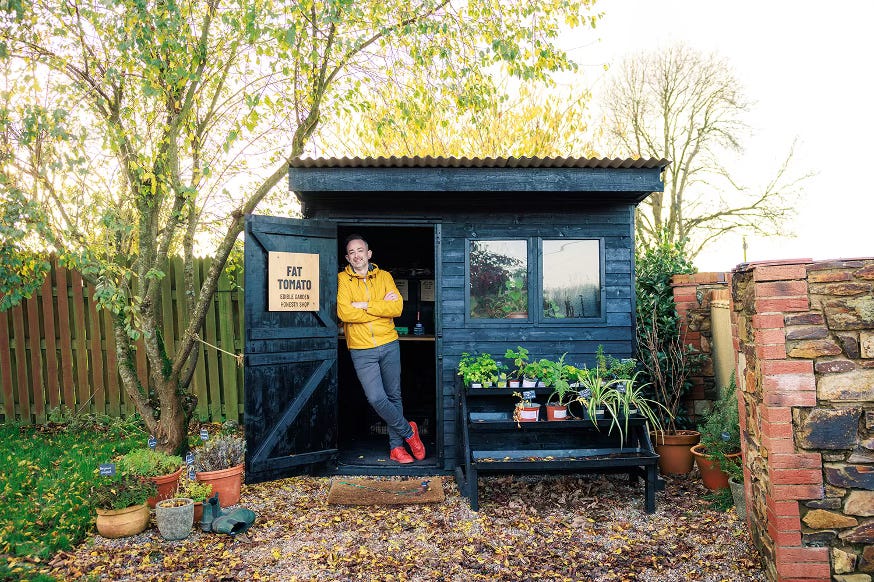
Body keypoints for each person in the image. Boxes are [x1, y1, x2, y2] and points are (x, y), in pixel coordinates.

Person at [337, 234, 426, 464]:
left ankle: (397, 449)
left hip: (388, 343)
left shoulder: (384, 276)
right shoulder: (342, 280)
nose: (356, 255)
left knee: (394, 396)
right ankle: (409, 432)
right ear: (348, 258)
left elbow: (396, 307)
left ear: (369, 254)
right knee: (376, 397)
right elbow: (344, 312)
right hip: (361, 348)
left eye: (360, 250)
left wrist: (364, 305)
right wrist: (380, 307)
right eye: (351, 252)